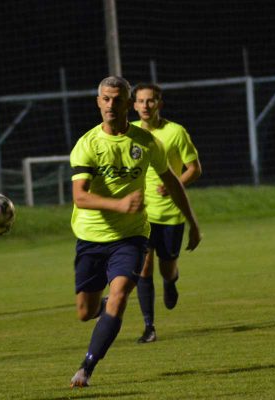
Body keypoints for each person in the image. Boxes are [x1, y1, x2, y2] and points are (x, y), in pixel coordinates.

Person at [69, 76, 201, 388]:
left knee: (119, 294)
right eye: (106, 99)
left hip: (131, 237)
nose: (111, 104)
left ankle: (86, 368)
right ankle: (106, 310)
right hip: (91, 237)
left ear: (128, 104)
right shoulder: (87, 145)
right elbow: (80, 197)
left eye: (117, 99)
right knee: (85, 312)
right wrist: (120, 204)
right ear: (98, 102)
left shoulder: (147, 143)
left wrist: (193, 223)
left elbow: (172, 182)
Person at [131, 83, 202, 343]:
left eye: (151, 100)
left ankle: (171, 281)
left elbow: (194, 168)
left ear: (159, 103)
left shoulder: (175, 132)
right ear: (134, 105)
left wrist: (175, 184)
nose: (146, 106)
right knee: (143, 267)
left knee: (166, 268)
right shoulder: (129, 132)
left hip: (171, 214)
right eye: (140, 101)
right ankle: (149, 327)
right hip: (142, 215)